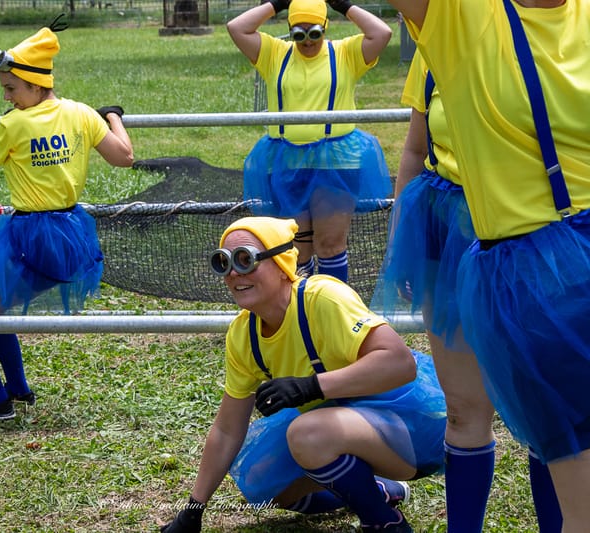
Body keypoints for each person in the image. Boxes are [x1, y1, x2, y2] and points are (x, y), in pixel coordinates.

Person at [382, 1, 590, 531]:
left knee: (557, 429)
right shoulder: (457, 19)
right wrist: (398, 235)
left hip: (560, 250)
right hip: (491, 243)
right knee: (475, 409)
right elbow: (414, 148)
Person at [159, 216, 446, 532]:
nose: (233, 275)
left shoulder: (321, 298)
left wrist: (311, 386)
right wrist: (193, 510)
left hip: (413, 427)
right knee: (264, 480)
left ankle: (384, 522)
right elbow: (227, 430)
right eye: (224, 263)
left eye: (246, 260)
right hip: (337, 426)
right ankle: (375, 491)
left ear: (282, 265)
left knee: (307, 435)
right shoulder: (244, 334)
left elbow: (399, 363)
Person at [0, 18, 134, 424]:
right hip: (71, 232)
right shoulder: (82, 114)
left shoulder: (13, 124)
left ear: (35, 84)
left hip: (27, 235)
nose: (8, 98)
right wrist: (112, 116)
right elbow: (123, 157)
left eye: (11, 89)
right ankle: (16, 389)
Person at [370, 49, 499, 532]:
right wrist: (401, 234)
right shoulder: (437, 44)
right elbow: (413, 150)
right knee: (465, 407)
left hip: (535, 239)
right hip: (445, 234)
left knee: (547, 414)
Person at [227, 0, 393, 282]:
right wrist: (276, 4)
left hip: (336, 162)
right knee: (295, 249)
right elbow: (237, 28)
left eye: (314, 32)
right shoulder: (275, 53)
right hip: (286, 160)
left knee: (329, 245)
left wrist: (344, 5)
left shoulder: (344, 53)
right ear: (289, 31)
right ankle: (301, 311)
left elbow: (382, 33)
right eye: (298, 33)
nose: (307, 41)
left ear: (325, 28)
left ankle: (333, 310)